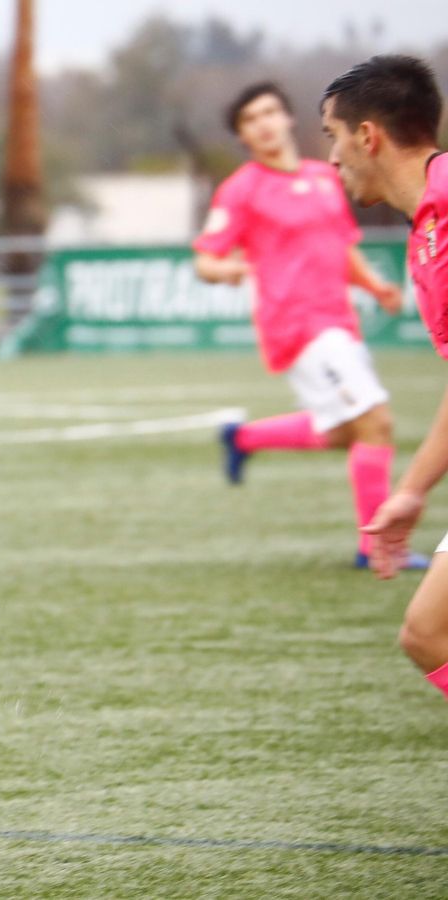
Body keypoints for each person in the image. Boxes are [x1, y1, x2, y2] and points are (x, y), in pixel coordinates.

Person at [193, 81, 419, 571]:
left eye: (271, 111)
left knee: (345, 432)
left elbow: (341, 248)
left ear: (289, 118)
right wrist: (228, 269)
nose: (265, 123)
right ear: (243, 135)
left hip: (338, 320)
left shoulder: (324, 176)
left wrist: (374, 285)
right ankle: (374, 547)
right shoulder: (242, 189)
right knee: (376, 423)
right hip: (297, 325)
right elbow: (205, 261)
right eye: (252, 119)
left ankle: (243, 438)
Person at [323, 56, 448, 695]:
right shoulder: (425, 228)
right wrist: (413, 491)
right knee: (426, 633)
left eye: (332, 136)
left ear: (367, 136)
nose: (332, 158)